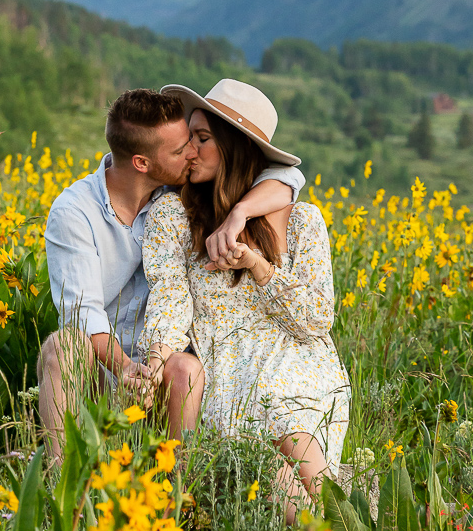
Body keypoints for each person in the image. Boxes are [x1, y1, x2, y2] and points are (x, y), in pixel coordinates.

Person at [38, 88, 304, 457]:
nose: (192, 153)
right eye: (181, 150)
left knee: (187, 367)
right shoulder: (74, 212)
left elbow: (286, 177)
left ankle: (180, 494)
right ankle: (62, 488)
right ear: (142, 163)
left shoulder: (178, 192)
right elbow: (82, 313)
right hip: (105, 370)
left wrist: (239, 212)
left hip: (165, 366)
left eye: (194, 142)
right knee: (61, 347)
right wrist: (127, 368)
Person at [141, 78, 350, 522]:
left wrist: (259, 266)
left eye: (202, 139)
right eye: (188, 138)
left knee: (298, 445)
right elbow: (169, 301)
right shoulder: (173, 216)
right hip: (230, 382)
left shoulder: (303, 221)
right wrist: (156, 360)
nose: (189, 151)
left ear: (235, 148)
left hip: (300, 374)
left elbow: (315, 321)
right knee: (278, 481)